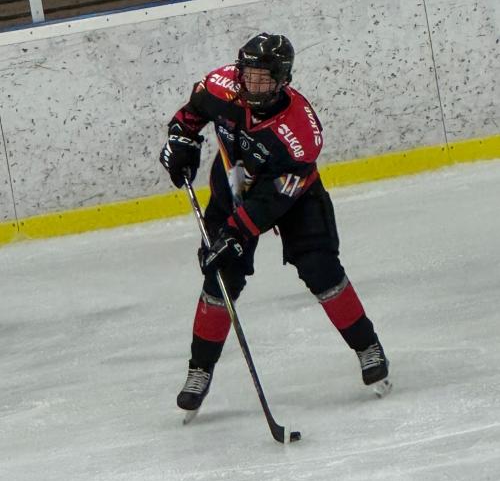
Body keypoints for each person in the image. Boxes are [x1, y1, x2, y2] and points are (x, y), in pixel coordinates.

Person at [160, 33, 391, 413]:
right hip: (232, 184)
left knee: (320, 268)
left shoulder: (299, 131)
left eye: (263, 79)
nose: (253, 85)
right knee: (221, 279)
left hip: (294, 197)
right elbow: (192, 113)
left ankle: (368, 346)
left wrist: (236, 232)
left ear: (283, 80)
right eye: (248, 75)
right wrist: (181, 138)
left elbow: (275, 198)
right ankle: (198, 370)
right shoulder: (220, 86)